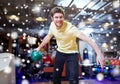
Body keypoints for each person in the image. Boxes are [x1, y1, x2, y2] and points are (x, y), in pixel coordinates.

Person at [35, 6, 105, 84]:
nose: (59, 20)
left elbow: (88, 39)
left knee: (73, 78)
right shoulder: (52, 25)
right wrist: (39, 47)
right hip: (60, 52)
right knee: (55, 76)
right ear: (52, 18)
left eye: (61, 17)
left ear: (63, 17)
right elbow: (48, 37)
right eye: (56, 17)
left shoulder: (71, 28)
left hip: (72, 53)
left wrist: (99, 53)